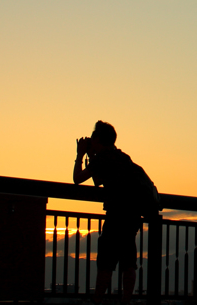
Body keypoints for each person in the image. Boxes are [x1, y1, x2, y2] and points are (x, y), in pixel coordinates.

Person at [74, 121, 154, 304]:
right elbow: (99, 179)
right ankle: (126, 301)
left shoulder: (104, 158)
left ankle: (98, 301)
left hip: (116, 215)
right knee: (128, 261)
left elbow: (78, 178)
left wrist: (80, 155)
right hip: (132, 215)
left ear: (98, 139)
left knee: (106, 263)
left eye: (92, 137)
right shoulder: (122, 157)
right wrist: (92, 154)